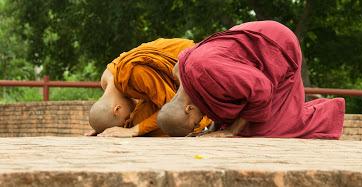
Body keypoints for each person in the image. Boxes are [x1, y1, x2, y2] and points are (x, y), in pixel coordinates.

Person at [157, 21, 345, 139]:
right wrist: (215, 128)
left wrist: (230, 131)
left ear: (188, 109)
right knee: (245, 123)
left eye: (194, 123)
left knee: (264, 130)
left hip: (276, 43)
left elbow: (262, 90)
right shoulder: (178, 71)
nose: (200, 123)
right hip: (247, 38)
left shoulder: (206, 72)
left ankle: (328, 113)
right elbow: (215, 102)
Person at [88, 38, 212, 137]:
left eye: (125, 119)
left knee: (162, 123)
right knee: (137, 121)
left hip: (195, 61)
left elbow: (170, 107)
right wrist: (104, 128)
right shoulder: (106, 79)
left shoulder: (134, 74)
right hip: (171, 78)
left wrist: (134, 130)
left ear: (117, 109)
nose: (127, 119)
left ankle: (204, 122)